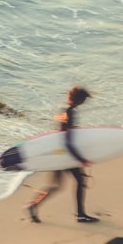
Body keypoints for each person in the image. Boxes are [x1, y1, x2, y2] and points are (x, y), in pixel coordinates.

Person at [27, 86, 99, 223]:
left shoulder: (64, 111)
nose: (84, 102)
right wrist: (79, 158)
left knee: (56, 185)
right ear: (79, 99)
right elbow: (68, 141)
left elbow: (63, 134)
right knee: (80, 181)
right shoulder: (70, 113)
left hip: (58, 153)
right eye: (83, 99)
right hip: (66, 155)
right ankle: (81, 215)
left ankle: (33, 205)